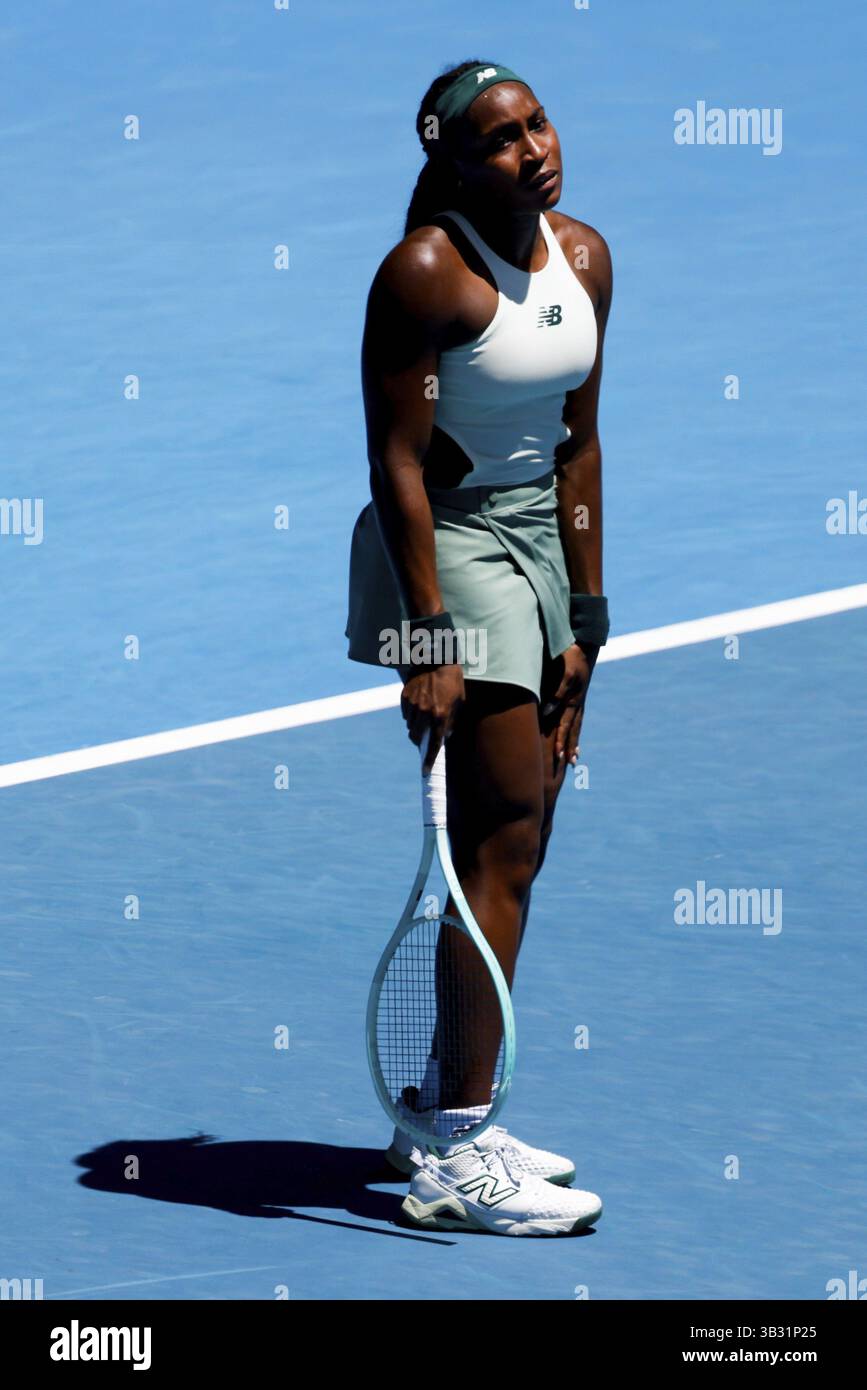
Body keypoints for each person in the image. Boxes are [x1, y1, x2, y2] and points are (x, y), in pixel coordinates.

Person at [346, 59, 613, 1236]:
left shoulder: (588, 256)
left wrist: (590, 617)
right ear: (455, 164)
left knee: (521, 833)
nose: (533, 148)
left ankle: (455, 1110)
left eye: (539, 123)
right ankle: (458, 1142)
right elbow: (394, 465)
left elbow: (580, 444)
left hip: (541, 549)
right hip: (446, 555)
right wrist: (425, 640)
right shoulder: (422, 277)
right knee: (498, 840)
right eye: (502, 140)